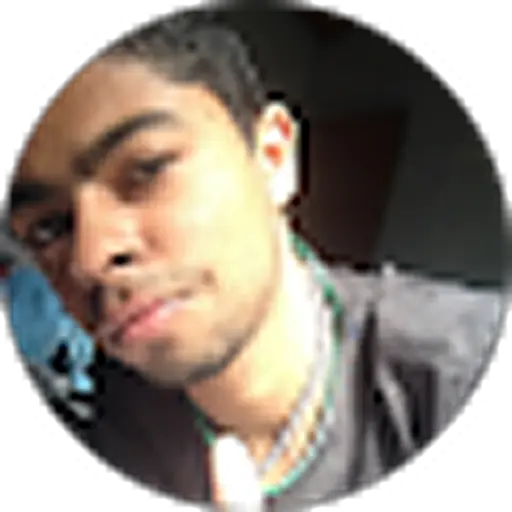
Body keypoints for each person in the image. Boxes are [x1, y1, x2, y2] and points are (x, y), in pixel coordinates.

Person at [3, 8, 506, 509]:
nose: (88, 260)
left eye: (148, 168)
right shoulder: (120, 398)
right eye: (49, 227)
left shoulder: (457, 371)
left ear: (272, 158)